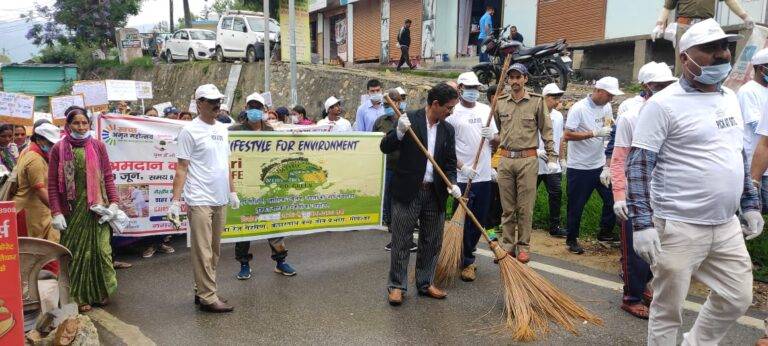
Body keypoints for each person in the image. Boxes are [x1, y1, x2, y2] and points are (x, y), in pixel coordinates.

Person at [628, 19, 761, 344]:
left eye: (724, 47)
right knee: (668, 309)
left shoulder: (729, 97)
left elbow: (737, 156)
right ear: (685, 58)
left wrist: (750, 203)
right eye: (710, 48)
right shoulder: (662, 104)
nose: (721, 54)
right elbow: (639, 167)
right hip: (678, 227)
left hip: (726, 226)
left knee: (737, 297)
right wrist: (642, 225)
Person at [382, 82, 460, 306]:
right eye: (448, 107)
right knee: (402, 239)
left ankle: (425, 283)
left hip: (434, 194)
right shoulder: (408, 119)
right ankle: (397, 286)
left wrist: (452, 183)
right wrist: (398, 133)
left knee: (432, 241)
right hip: (408, 191)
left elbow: (450, 163)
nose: (450, 112)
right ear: (435, 104)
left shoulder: (447, 129)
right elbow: (385, 147)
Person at [609, 62, 677, 320]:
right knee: (635, 250)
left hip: (665, 193)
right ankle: (632, 296)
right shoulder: (631, 117)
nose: (664, 90)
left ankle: (645, 285)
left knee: (659, 249)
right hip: (636, 193)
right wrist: (619, 196)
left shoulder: (675, 112)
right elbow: (619, 159)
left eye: (668, 85)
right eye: (659, 86)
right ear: (646, 87)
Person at [168, 84, 239, 313]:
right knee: (203, 250)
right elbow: (181, 168)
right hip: (199, 198)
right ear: (199, 103)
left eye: (218, 100)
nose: (216, 104)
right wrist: (175, 202)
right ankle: (208, 297)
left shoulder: (222, 129)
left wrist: (232, 191)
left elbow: (225, 164)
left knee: (215, 250)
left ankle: (202, 290)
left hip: (220, 198)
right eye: (210, 101)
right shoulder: (189, 131)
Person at [48, 106, 122, 312]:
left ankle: (100, 291)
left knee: (101, 252)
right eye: (76, 123)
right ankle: (78, 296)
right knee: (78, 254)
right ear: (68, 125)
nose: (81, 127)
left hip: (98, 210)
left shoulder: (98, 146)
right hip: (72, 212)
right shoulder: (59, 149)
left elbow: (107, 176)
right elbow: (52, 184)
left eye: (84, 123)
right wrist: (56, 211)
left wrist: (114, 203)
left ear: (90, 124)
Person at [493, 64, 558, 263]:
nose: (514, 81)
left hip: (528, 160)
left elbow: (547, 131)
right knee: (507, 208)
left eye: (518, 77)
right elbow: (499, 127)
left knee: (525, 208)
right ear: (507, 80)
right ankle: (507, 246)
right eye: (511, 78)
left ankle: (523, 247)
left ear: (525, 79)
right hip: (505, 160)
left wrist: (553, 157)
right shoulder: (500, 102)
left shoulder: (537, 102)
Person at [231, 92, 297, 280]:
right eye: (251, 106)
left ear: (264, 110)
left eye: (257, 107)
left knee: (274, 226)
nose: (254, 110)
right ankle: (244, 264)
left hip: (267, 188)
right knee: (244, 228)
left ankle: (280, 261)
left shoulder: (271, 132)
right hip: (244, 188)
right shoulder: (234, 131)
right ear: (246, 108)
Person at [445, 72, 498, 281]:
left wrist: (491, 137)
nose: (473, 91)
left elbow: (497, 141)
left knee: (478, 220)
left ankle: (467, 254)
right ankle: (465, 259)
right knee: (461, 220)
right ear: (459, 88)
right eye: (469, 87)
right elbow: (446, 147)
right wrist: (462, 167)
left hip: (483, 175)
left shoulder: (487, 110)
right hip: (461, 176)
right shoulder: (452, 112)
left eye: (476, 88)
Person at [562, 76, 622, 254]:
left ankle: (605, 232)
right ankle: (572, 239)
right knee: (576, 205)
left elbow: (609, 128)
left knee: (612, 199)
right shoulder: (578, 108)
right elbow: (567, 135)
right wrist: (593, 133)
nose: (612, 99)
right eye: (609, 95)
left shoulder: (607, 107)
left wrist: (607, 164)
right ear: (599, 91)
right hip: (580, 167)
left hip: (599, 164)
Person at [652, 0, 752, 75]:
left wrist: (745, 17)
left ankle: (709, 86)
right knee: (683, 60)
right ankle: (681, 89)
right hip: (685, 26)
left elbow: (729, 1)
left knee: (709, 57)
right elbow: (668, 6)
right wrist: (659, 24)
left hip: (706, 26)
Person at [374, 90, 417, 252]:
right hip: (388, 167)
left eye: (392, 103)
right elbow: (375, 143)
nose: (389, 107)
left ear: (399, 103)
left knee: (406, 204)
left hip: (406, 169)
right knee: (390, 204)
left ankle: (409, 239)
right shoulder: (380, 121)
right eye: (385, 105)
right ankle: (395, 237)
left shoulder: (410, 119)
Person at [13, 123, 60, 242]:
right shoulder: (35, 159)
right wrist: (57, 211)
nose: (52, 146)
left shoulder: (28, 150)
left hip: (37, 212)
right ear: (39, 140)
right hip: (30, 214)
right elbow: (39, 189)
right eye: (50, 143)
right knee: (33, 251)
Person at [738, 48, 768, 209]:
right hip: (755, 164)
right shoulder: (748, 91)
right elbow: (757, 125)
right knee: (757, 208)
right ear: (762, 68)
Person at [537, 83, 567, 238]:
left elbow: (560, 138)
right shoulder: (535, 113)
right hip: (534, 162)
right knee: (526, 196)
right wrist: (535, 150)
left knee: (556, 194)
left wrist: (562, 159)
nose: (557, 101)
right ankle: (521, 223)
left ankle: (554, 226)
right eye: (554, 98)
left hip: (552, 163)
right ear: (545, 97)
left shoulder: (558, 116)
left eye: (558, 98)